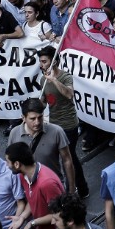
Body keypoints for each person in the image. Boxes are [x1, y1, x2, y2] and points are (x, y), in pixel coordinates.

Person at [37, 46, 86, 197]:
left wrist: (54, 80)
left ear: (54, 62)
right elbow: (45, 102)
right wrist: (34, 108)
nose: (41, 65)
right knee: (60, 157)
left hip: (69, 125)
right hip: (54, 124)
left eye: (45, 61)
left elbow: (69, 94)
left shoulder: (65, 77)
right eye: (40, 61)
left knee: (69, 157)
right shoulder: (42, 80)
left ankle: (80, 188)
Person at [8, 98, 76, 194]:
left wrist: (72, 188)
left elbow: (67, 160)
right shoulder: (14, 133)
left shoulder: (57, 132)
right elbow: (11, 161)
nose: (37, 122)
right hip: (28, 189)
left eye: (40, 117)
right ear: (23, 118)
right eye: (32, 119)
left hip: (53, 187)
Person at [5, 141, 65, 229]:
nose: (7, 166)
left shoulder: (46, 183)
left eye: (8, 162)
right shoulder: (23, 175)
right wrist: (22, 217)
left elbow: (60, 213)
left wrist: (32, 223)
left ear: (16, 164)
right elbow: (33, 200)